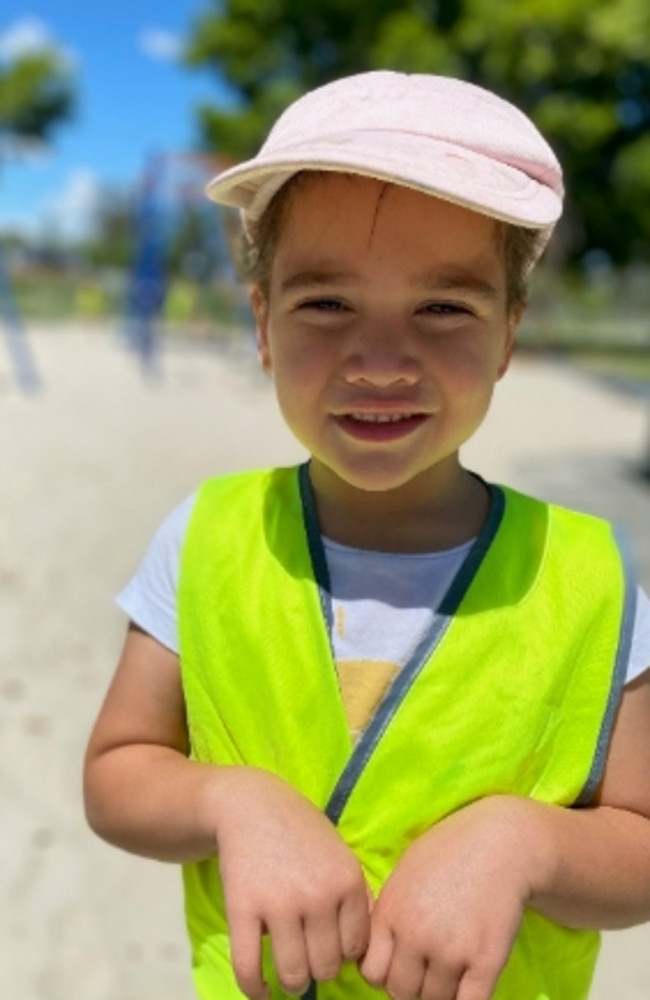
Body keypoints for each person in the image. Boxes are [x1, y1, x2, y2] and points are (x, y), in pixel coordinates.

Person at [83, 71, 650, 1000]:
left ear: (510, 333)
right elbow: (117, 772)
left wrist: (528, 842)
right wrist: (231, 799)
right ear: (263, 324)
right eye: (326, 304)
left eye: (443, 308)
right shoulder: (206, 536)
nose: (380, 361)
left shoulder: (590, 579)